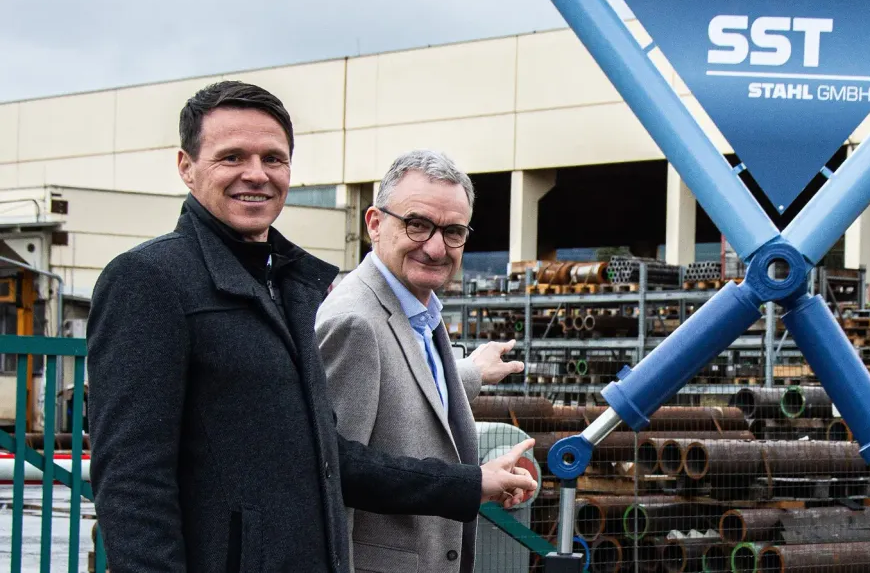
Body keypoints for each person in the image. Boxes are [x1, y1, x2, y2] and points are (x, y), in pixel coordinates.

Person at [86, 82, 536, 573]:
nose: (255, 174)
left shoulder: (287, 286)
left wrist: (468, 484)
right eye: (232, 156)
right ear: (186, 167)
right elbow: (132, 483)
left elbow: (329, 457)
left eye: (273, 159)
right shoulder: (149, 280)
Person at [316, 150, 526, 573]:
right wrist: (472, 482)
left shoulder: (417, 308)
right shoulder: (354, 321)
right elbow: (334, 471)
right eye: (417, 225)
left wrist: (470, 372)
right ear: (374, 223)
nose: (435, 247)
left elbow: (409, 385)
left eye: (453, 231)